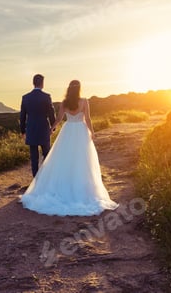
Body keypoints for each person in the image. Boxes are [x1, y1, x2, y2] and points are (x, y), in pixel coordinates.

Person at [20, 80, 118, 216]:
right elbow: (88, 119)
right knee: (82, 160)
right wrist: (92, 132)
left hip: (68, 131)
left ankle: (63, 185)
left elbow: (59, 119)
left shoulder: (64, 103)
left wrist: (51, 128)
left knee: (64, 159)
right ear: (79, 89)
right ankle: (82, 188)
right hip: (81, 132)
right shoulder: (84, 101)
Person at [20, 74, 56, 177]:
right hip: (44, 129)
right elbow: (51, 114)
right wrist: (53, 128)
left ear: (33, 83)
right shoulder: (46, 97)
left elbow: (22, 116)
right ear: (42, 83)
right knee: (47, 154)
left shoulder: (25, 97)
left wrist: (23, 131)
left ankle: (35, 180)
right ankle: (46, 177)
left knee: (34, 157)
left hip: (31, 129)